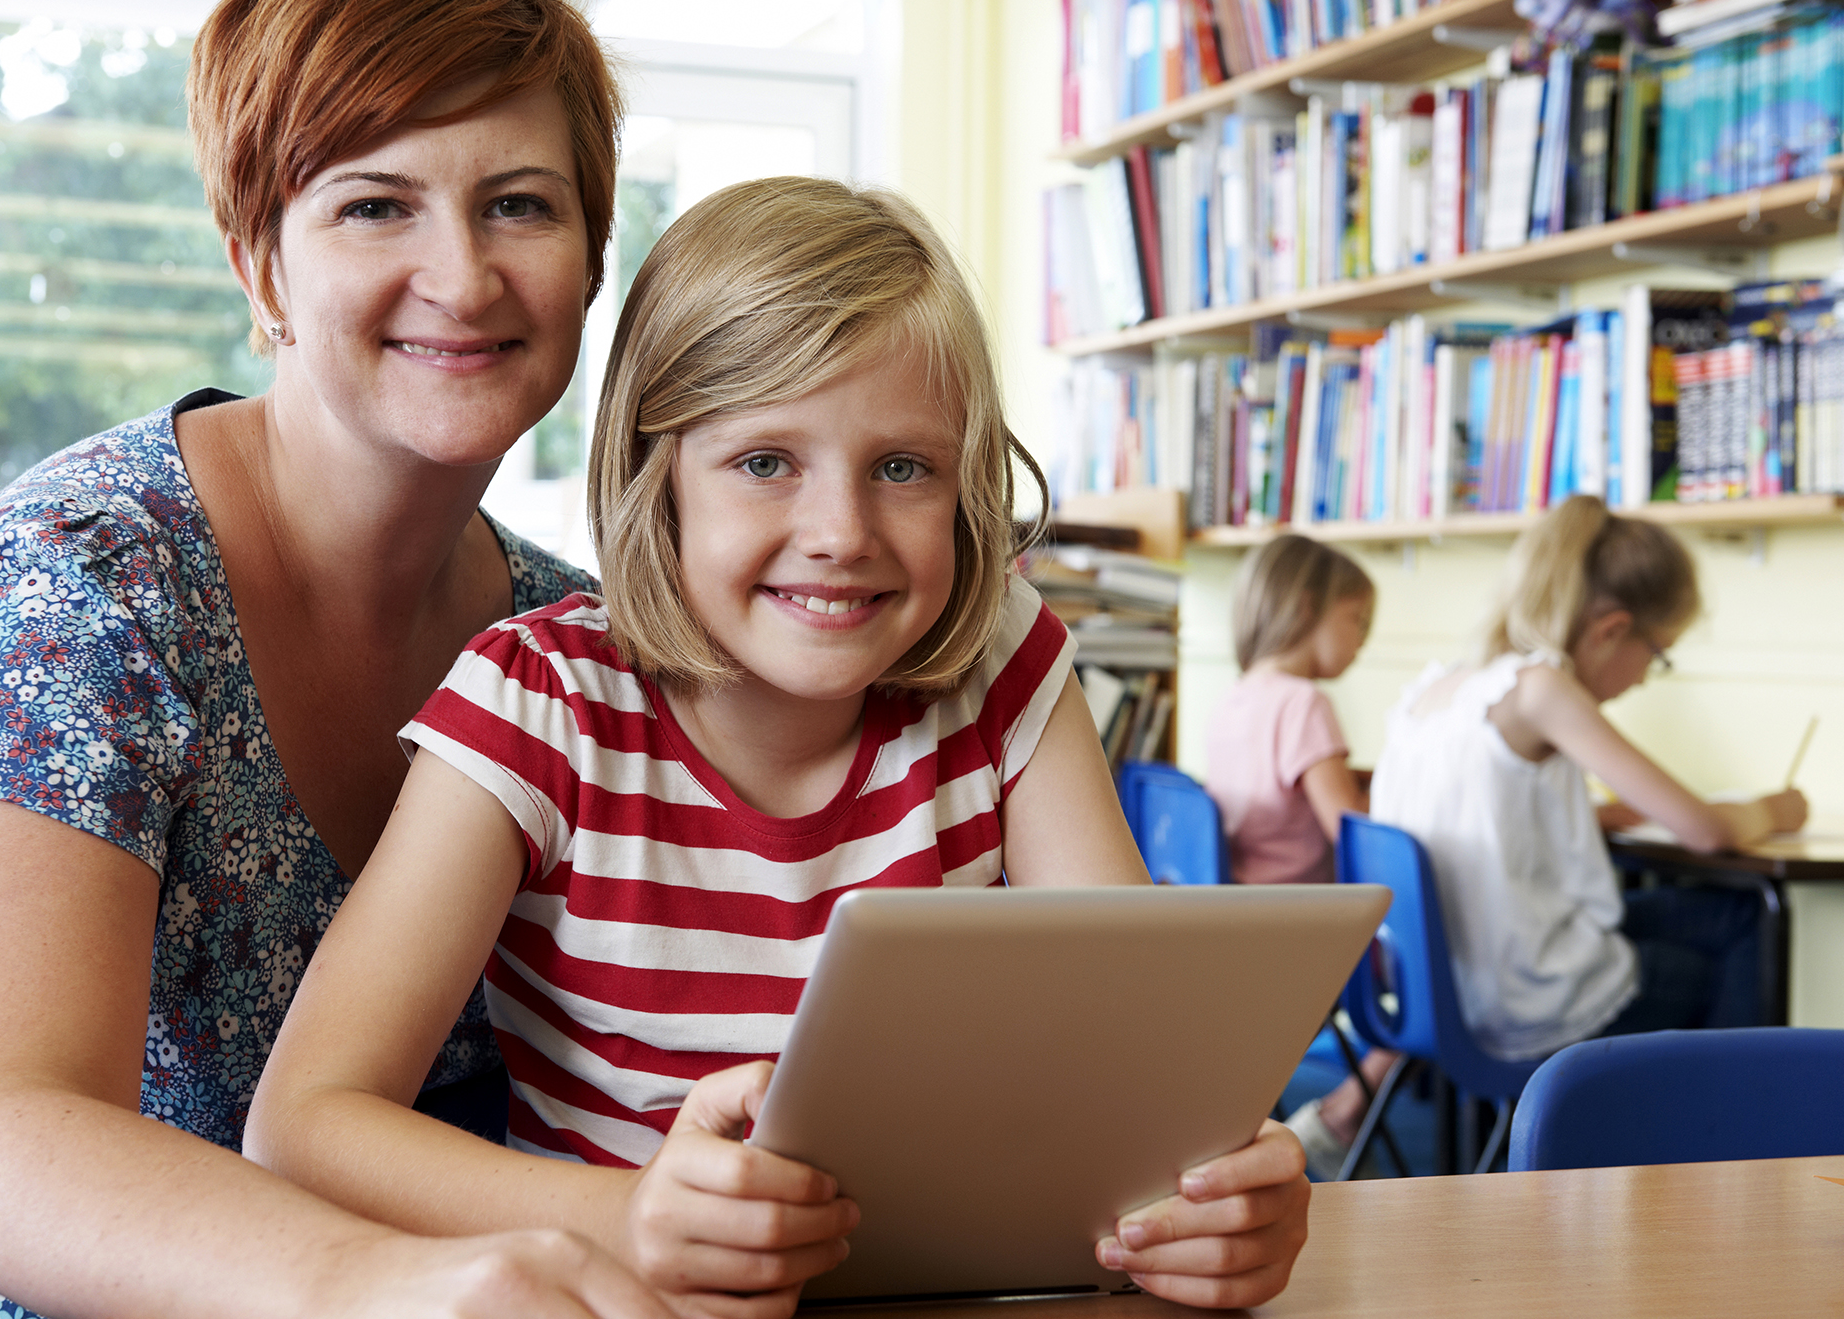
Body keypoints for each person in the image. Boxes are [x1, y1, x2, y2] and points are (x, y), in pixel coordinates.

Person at [243, 177, 1313, 1317]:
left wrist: (1219, 1198)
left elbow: (1146, 1074)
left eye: (902, 467)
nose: (840, 535)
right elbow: (302, 1123)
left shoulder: (1000, 661)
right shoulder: (538, 700)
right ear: (658, 478)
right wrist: (632, 1213)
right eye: (764, 462)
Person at [0, 0, 677, 1316]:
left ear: (591, 255)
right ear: (260, 259)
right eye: (373, 205)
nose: (463, 277)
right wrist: (389, 1285)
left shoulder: (578, 648)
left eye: (520, 203)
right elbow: (0, 1130)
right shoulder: (79, 586)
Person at [1371, 495, 1809, 1064]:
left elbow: (1482, 817)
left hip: (1434, 988)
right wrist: (1777, 809)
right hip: (1521, 998)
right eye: (1656, 655)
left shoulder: (1437, 689)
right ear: (1610, 631)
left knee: (1717, 915)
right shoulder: (1541, 689)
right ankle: (1725, 1143)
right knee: (1746, 922)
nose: (1647, 678)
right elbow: (1704, 831)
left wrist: (1592, 817)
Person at [1201, 535, 1396, 1179]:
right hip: (1304, 933)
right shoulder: (1305, 702)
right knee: (1456, 968)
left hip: (1238, 925)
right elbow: (1352, 833)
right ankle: (1341, 1118)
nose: (1363, 640)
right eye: (1356, 620)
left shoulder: (1237, 698)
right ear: (1308, 608)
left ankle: (1337, 1113)